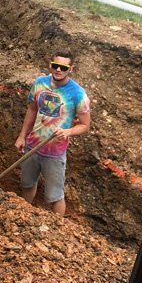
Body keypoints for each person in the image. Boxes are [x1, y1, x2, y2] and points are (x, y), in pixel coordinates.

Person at [14, 49, 91, 216]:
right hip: (32, 146)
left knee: (55, 196)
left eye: (63, 68)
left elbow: (85, 125)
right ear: (50, 65)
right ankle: (22, 216)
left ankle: (58, 230)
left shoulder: (78, 94)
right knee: (27, 184)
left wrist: (68, 131)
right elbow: (32, 110)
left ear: (71, 69)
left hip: (55, 153)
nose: (58, 70)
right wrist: (22, 136)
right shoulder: (39, 83)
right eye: (55, 66)